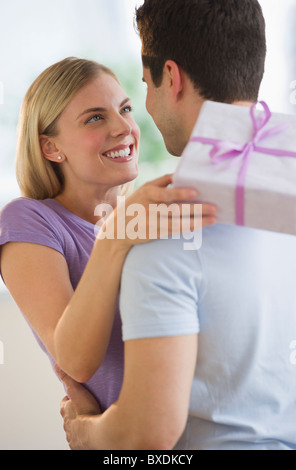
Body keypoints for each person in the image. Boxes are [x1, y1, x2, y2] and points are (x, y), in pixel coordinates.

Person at [59, 0, 296, 450]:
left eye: (145, 86)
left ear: (172, 77)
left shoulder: (164, 231)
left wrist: (85, 432)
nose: (138, 114)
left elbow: (145, 437)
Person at [0, 57, 216, 414]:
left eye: (126, 109)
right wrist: (115, 238)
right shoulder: (29, 220)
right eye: (95, 118)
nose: (125, 128)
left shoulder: (143, 217)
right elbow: (77, 361)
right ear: (50, 147)